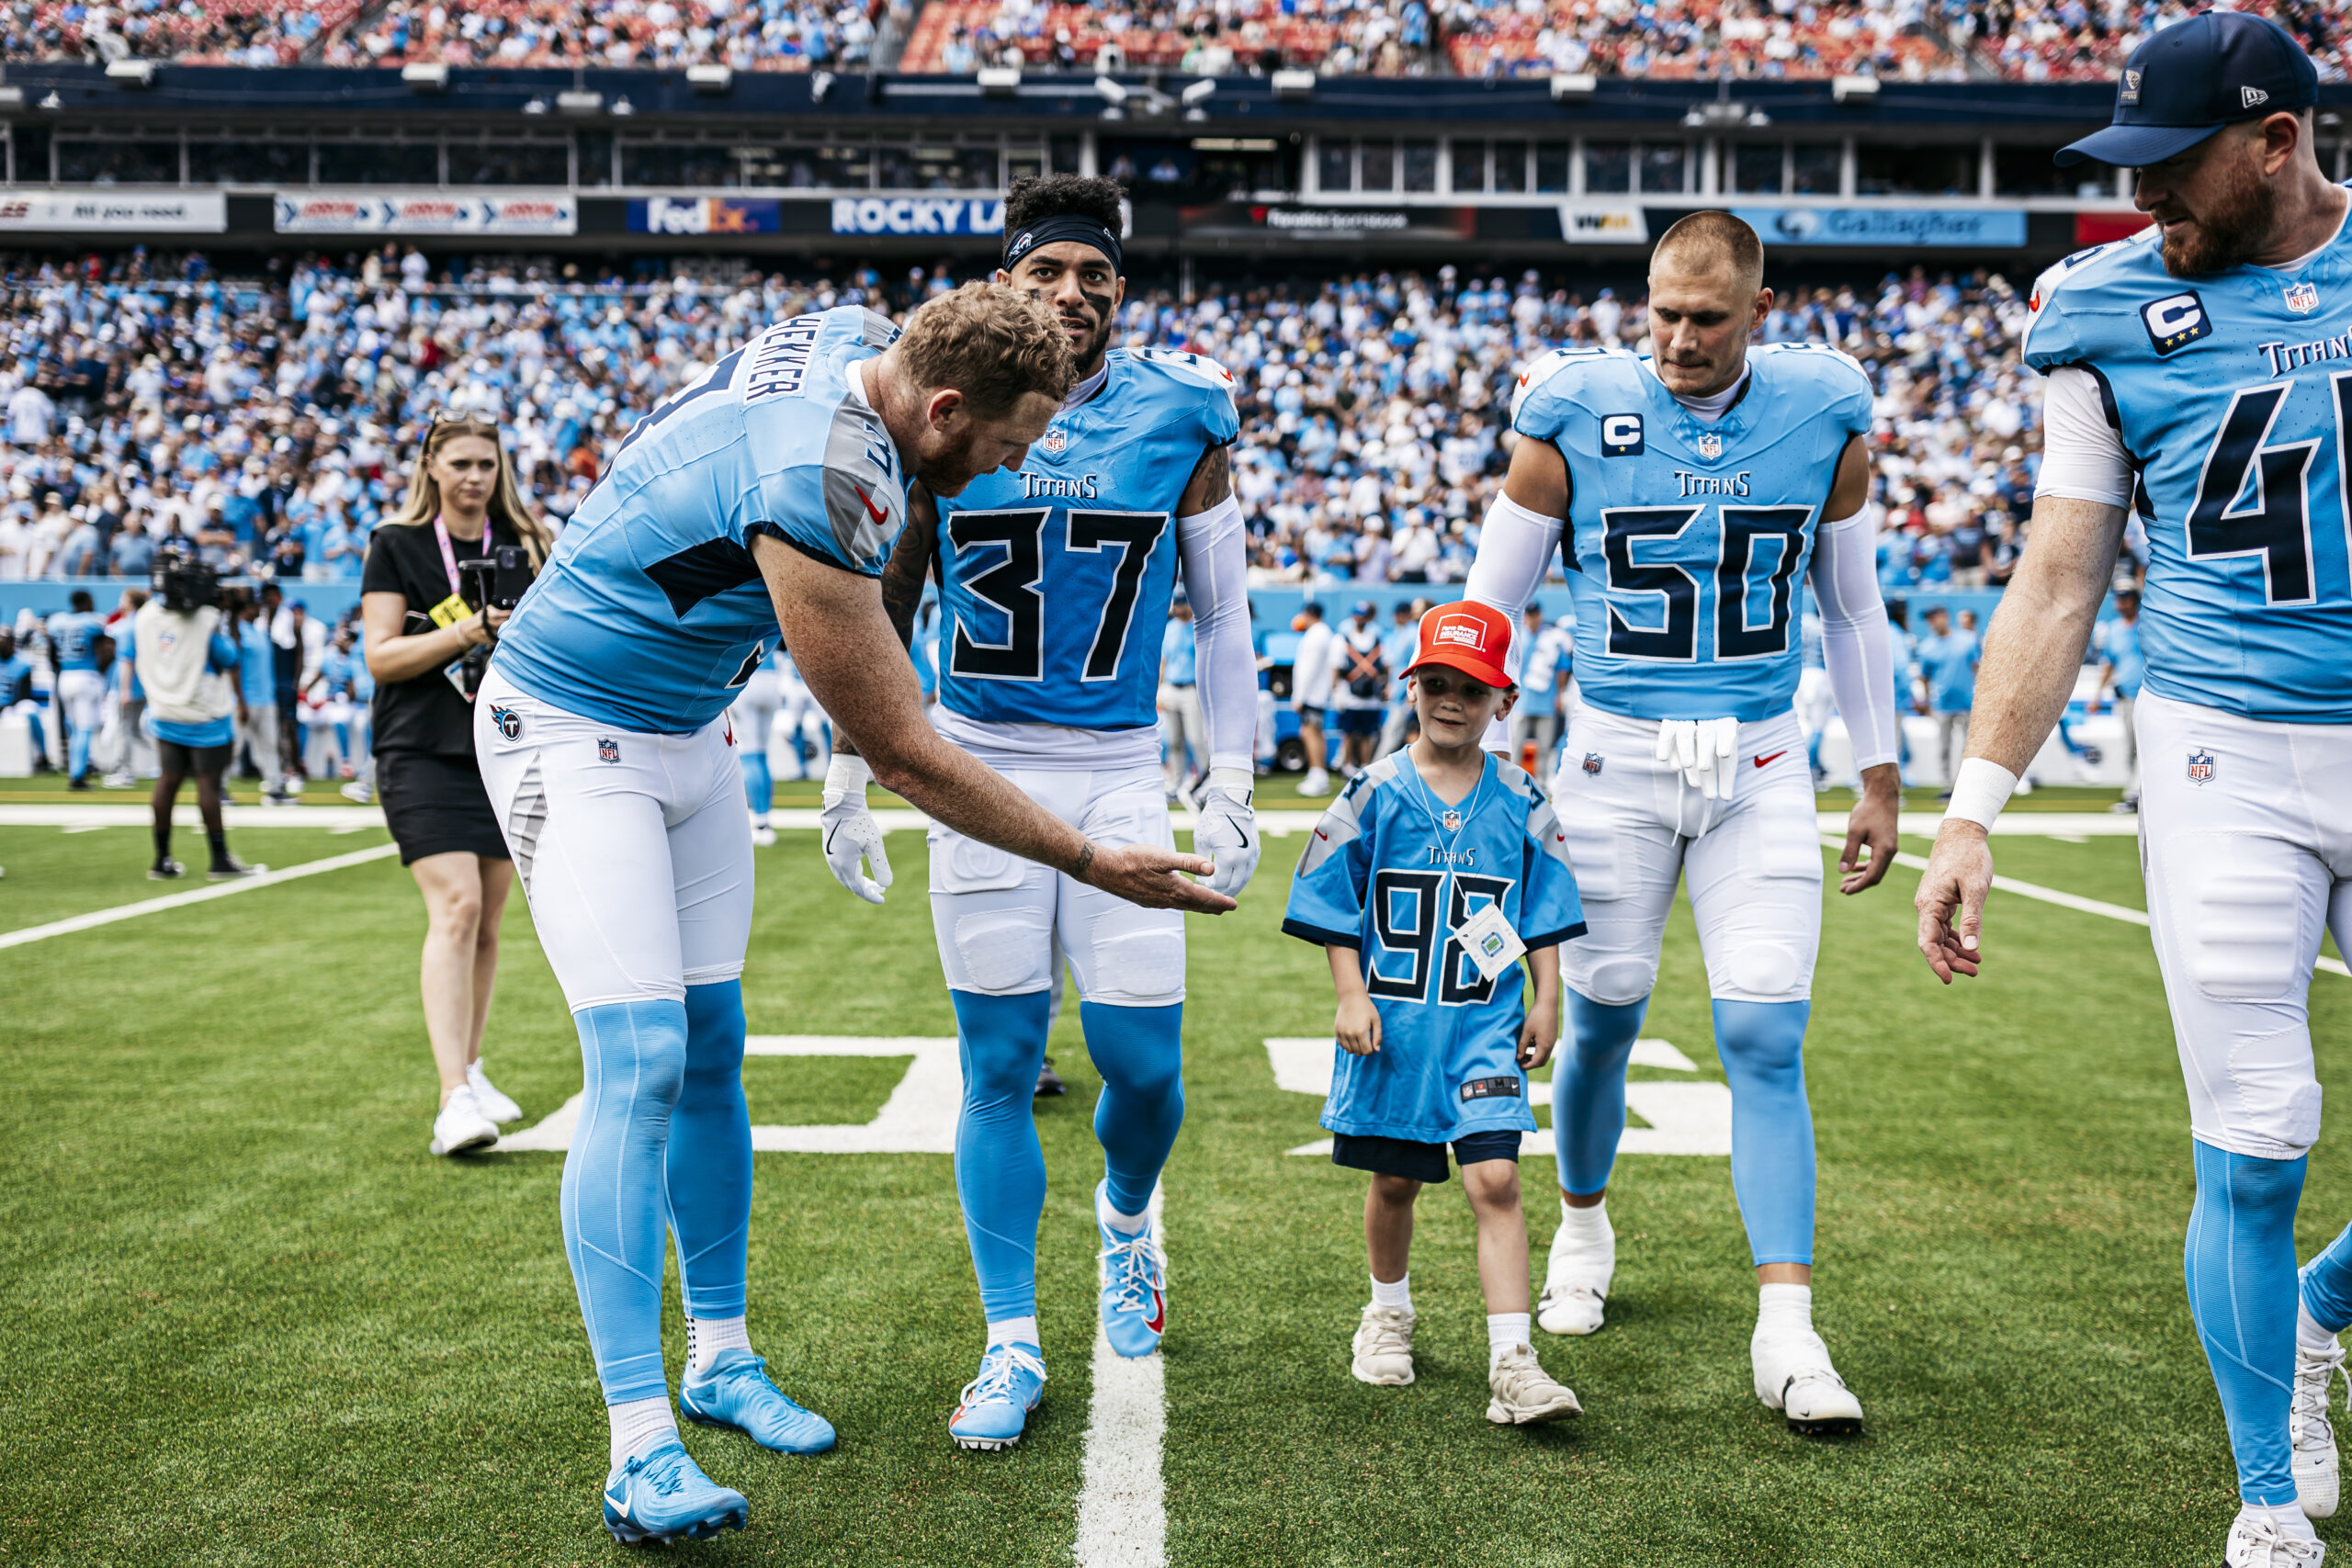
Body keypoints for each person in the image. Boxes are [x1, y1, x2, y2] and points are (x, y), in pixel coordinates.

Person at [475, 281, 1232, 1540]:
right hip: (570, 722)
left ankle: (719, 1356)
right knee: (642, 1056)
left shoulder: (859, 344)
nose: (1013, 466)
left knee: (712, 1044)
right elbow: (908, 755)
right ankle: (638, 1443)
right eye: (1007, 442)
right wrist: (1089, 860)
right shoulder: (826, 480)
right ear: (945, 409)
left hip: (686, 722)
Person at [1913, 19, 2352, 1563]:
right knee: (2256, 1133)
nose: (2143, 195)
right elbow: (2061, 572)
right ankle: (2269, 1499)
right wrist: (1973, 807)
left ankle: (2320, 1306)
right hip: (2227, 748)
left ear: (2277, 142)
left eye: (2172, 165)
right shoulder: (2099, 307)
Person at [1462, 210, 1904, 1435]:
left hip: (1759, 760)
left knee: (1763, 1028)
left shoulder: (1823, 408)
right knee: (1602, 1017)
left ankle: (1788, 1328)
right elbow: (1492, 601)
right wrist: (1473, 769)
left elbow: (1852, 610)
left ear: (1758, 310)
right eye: (1663, 312)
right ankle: (1583, 1226)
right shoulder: (1571, 409)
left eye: (1707, 317)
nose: (1680, 338)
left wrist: (1878, 772)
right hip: (1615, 760)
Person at [836, 181, 1258, 1452]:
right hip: (976, 761)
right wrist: (855, 768)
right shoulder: (943, 401)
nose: (1074, 292)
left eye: (1097, 273)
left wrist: (1231, 774)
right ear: (1006, 282)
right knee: (1001, 1065)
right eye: (1048, 271)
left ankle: (1125, 1219)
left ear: (1122, 290)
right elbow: (883, 596)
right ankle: (1009, 1336)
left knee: (1145, 1066)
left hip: (1120, 763)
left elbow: (1223, 615)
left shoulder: (1183, 411)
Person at [1282, 601, 1587, 1423]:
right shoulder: (1372, 791)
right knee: (1395, 1179)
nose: (1453, 700)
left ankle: (1513, 1360)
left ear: (1505, 700)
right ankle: (1388, 1311)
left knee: (1496, 1178)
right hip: (1396, 1026)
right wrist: (1350, 991)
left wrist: (1547, 996)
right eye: (1439, 683)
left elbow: (1545, 907)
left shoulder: (1523, 796)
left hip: (1484, 1022)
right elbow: (1330, 897)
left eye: (1473, 688)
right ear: (1411, 686)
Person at [360, 414, 549, 1161]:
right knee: (459, 904)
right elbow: (381, 657)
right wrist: (469, 630)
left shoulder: (527, 542)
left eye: (486, 464)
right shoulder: (396, 544)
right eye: (461, 463)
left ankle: (471, 1067)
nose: (475, 477)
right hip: (419, 749)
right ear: (431, 466)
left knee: (492, 919)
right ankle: (452, 1099)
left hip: (502, 747)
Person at [129, 551, 261, 881]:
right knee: (208, 785)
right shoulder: (205, 619)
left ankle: (161, 859)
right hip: (203, 713)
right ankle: (219, 859)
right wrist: (227, 617)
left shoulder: (145, 616)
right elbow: (228, 657)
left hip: (164, 709)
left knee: (167, 781)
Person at [43, 588, 106, 790]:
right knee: (84, 728)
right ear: (87, 601)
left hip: (65, 676)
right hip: (86, 676)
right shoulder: (93, 621)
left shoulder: (57, 621)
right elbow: (105, 643)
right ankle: (77, 774)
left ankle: (76, 768)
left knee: (74, 728)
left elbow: (50, 646)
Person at [1913, 604, 1979, 792]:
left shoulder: (1967, 640)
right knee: (1944, 747)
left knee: (1968, 748)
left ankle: (1965, 786)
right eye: (1929, 619)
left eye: (1935, 617)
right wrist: (1926, 702)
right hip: (1942, 704)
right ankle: (1947, 786)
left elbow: (1976, 668)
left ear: (1945, 617)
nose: (1932, 622)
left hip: (1967, 703)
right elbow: (1925, 678)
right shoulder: (1926, 648)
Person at [2090, 586, 2144, 812]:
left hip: (2149, 695)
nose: (2121, 603)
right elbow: (2109, 664)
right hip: (2127, 696)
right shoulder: (2113, 630)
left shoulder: (2146, 626)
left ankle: (2135, 794)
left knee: (2144, 746)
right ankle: (2136, 792)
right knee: (2132, 747)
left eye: (2126, 598)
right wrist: (2097, 695)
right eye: (2119, 598)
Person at [729, 648, 782, 846]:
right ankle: (764, 820)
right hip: (772, 680)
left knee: (749, 755)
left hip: (746, 678)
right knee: (761, 756)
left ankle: (760, 824)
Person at [1158, 589, 1206, 799]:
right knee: (1174, 741)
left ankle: (1206, 782)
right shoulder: (1170, 628)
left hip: (1191, 688)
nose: (1177, 608)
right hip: (1171, 687)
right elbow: (1163, 661)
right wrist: (1159, 689)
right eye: (1176, 604)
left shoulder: (1198, 627)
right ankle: (1176, 785)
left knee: (1196, 739)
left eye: (1181, 604)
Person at [1331, 599, 1388, 776]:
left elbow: (1387, 665)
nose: (1360, 619)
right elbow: (1336, 667)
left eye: (1363, 616)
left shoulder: (1376, 638)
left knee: (1367, 734)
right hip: (1349, 696)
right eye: (1357, 615)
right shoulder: (1344, 639)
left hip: (1370, 697)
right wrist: (1335, 691)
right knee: (1348, 733)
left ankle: (1364, 765)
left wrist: (1385, 685)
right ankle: (1348, 765)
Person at [1292, 599, 1336, 795]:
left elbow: (1307, 670)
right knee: (1313, 732)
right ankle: (1317, 773)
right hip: (1316, 694)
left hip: (1312, 695)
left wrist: (1299, 697)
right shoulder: (1322, 633)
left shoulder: (1316, 635)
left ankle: (1318, 775)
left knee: (1310, 733)